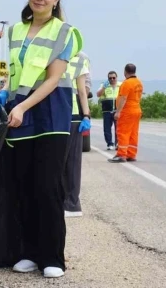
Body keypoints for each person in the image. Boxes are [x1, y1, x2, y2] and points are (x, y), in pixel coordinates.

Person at [0, 0, 82, 279]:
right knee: (23, 185)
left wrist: (21, 106)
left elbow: (53, 78)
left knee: (47, 187)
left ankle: (52, 256)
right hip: (20, 112)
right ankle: (28, 252)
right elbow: (16, 72)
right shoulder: (16, 30)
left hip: (50, 115)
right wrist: (3, 92)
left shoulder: (65, 31)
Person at [64, 51, 91, 218]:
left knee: (70, 161)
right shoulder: (51, 53)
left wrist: (86, 115)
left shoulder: (80, 58)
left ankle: (72, 204)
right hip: (64, 115)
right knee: (67, 161)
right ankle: (68, 203)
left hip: (70, 115)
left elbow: (83, 91)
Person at [108, 63, 144, 163]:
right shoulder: (139, 83)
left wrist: (118, 112)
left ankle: (122, 154)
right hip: (136, 110)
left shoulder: (127, 83)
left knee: (123, 132)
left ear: (125, 71)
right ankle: (131, 154)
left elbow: (123, 98)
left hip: (127, 111)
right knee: (133, 133)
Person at [97, 71, 121, 150]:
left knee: (118, 128)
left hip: (117, 110)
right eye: (110, 78)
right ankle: (109, 143)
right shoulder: (104, 85)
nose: (112, 79)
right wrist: (104, 87)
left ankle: (118, 143)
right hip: (107, 110)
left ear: (116, 78)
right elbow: (98, 94)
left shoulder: (120, 85)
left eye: (114, 78)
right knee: (107, 128)